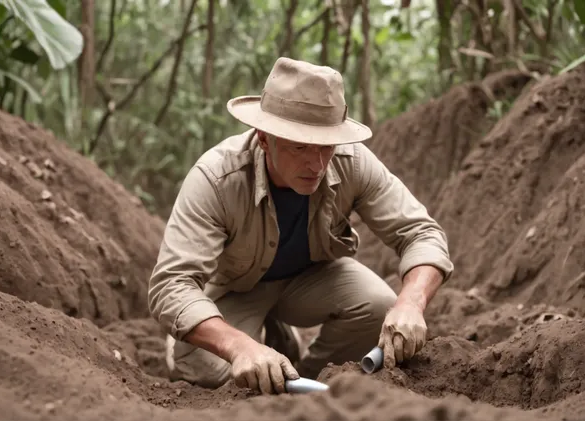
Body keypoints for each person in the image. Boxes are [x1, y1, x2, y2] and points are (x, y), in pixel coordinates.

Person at [147, 57, 453, 395]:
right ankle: (258, 340)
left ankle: (302, 375)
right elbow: (170, 285)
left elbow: (421, 232)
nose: (317, 164)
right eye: (300, 147)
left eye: (326, 146)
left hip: (311, 279)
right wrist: (239, 347)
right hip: (235, 290)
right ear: (264, 139)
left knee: (379, 306)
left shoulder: (352, 162)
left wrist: (410, 301)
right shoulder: (216, 178)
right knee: (209, 371)